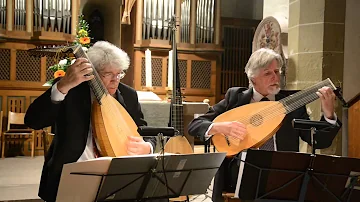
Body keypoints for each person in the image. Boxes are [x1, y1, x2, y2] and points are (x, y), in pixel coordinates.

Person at [187, 48, 342, 202]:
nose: (275, 77)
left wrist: (328, 114)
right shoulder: (235, 98)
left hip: (282, 178)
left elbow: (320, 141)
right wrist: (222, 127)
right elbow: (196, 124)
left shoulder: (291, 104)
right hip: (239, 177)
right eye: (268, 73)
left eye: (277, 71)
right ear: (253, 78)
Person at [25, 41, 156, 202]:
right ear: (92, 72)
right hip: (74, 173)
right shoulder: (71, 90)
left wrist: (147, 147)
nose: (115, 80)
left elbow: (144, 131)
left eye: (119, 73)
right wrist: (62, 86)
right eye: (108, 74)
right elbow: (33, 121)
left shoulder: (128, 94)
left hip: (117, 174)